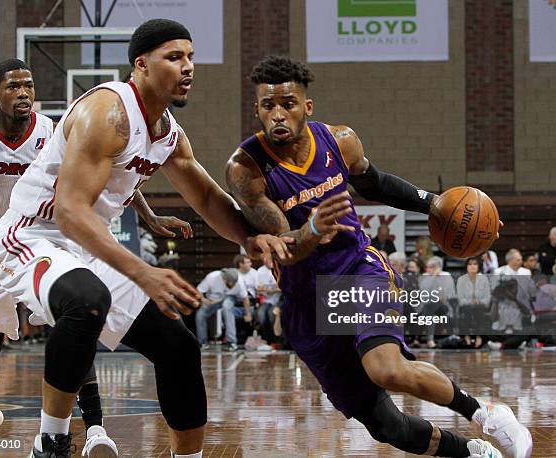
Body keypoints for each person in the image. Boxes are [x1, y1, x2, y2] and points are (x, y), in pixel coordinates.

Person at [0, 23, 288, 458]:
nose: (188, 67)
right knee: (87, 301)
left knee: (179, 346)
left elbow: (204, 195)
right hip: (32, 232)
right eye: (174, 57)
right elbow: (71, 212)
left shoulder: (167, 132)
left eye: (190, 57)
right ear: (141, 65)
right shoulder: (107, 113)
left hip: (88, 241)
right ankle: (50, 441)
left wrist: (249, 238)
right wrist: (145, 272)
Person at [225, 56, 531, 458]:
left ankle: (486, 413)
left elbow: (375, 182)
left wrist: (435, 202)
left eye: (289, 103)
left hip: (357, 269)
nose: (278, 114)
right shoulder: (247, 169)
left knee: (385, 368)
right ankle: (470, 452)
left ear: (307, 106)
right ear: (257, 109)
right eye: (269, 106)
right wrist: (313, 229)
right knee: (386, 426)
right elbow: (287, 247)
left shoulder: (340, 141)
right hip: (304, 297)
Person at [0, 59, 128, 456]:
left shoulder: (53, 131)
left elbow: (107, 176)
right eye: (14, 87)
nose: (23, 94)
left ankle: (97, 429)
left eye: (29, 86)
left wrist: (151, 218)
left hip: (40, 242)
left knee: (73, 326)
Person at [195, 268, 248, 351]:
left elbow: (245, 298)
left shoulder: (239, 282)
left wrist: (248, 314)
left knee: (226, 307)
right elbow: (199, 290)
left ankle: (231, 341)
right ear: (224, 279)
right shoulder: (212, 277)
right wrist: (204, 300)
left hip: (230, 297)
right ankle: (202, 342)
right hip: (213, 300)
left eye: (234, 283)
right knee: (200, 314)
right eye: (230, 283)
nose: (232, 285)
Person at [418, 256, 455, 349]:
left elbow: (448, 294)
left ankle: (428, 340)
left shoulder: (446, 275)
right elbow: (423, 294)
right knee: (430, 311)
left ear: (438, 267)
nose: (428, 269)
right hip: (427, 305)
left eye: (431, 267)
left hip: (444, 306)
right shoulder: (424, 277)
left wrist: (438, 279)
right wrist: (433, 277)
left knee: (433, 305)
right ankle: (430, 340)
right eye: (428, 267)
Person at [456, 257, 491, 349]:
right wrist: (469, 302)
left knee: (479, 309)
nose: (472, 266)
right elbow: (460, 298)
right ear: (466, 266)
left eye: (475, 264)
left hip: (480, 306)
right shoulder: (461, 279)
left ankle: (479, 336)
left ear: (479, 266)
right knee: (467, 310)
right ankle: (466, 336)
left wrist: (479, 302)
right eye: (470, 264)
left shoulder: (484, 279)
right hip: (465, 306)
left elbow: (488, 297)